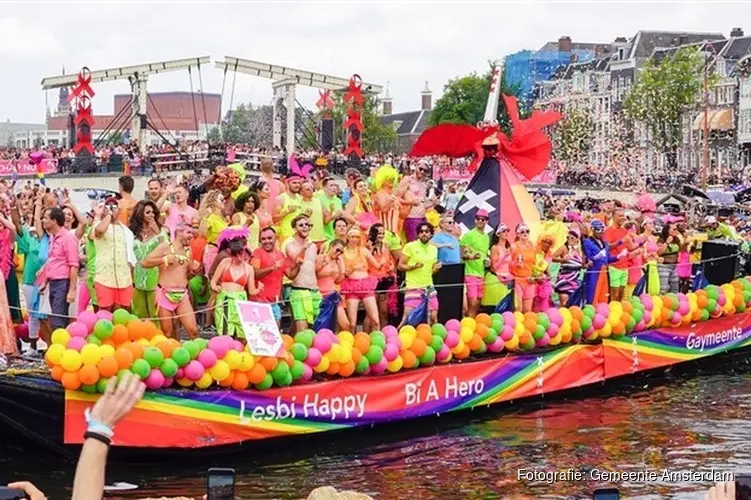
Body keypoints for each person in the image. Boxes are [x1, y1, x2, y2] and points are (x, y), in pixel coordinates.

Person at [141, 223, 200, 339]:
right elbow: (145, 262)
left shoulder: (189, 251)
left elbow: (186, 275)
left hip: (182, 295)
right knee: (167, 332)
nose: (191, 236)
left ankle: (198, 355)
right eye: (189, 232)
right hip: (165, 294)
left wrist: (193, 273)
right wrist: (164, 259)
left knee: (193, 330)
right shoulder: (165, 247)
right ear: (179, 232)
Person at [210, 227, 262, 337]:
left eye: (240, 254)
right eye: (235, 255)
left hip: (240, 302)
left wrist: (259, 289)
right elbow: (213, 281)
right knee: (225, 332)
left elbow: (252, 291)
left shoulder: (249, 269)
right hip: (225, 300)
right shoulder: (225, 262)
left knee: (241, 333)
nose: (238, 258)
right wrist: (215, 288)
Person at [90, 198, 135, 312]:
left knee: (121, 314)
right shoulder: (98, 224)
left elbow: (130, 255)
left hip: (124, 279)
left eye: (114, 207)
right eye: (108, 206)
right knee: (105, 313)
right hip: (104, 278)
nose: (111, 209)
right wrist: (108, 215)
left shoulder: (126, 231)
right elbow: (99, 231)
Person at [40, 206, 79, 329]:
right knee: (53, 318)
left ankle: (63, 346)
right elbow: (52, 261)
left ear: (54, 221)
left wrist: (72, 290)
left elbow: (74, 265)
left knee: (59, 320)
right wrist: (45, 282)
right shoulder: (52, 237)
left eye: (46, 218)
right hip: (53, 282)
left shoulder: (68, 238)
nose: (43, 221)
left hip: (63, 282)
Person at [398, 221, 441, 326]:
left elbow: (432, 270)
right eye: (421, 232)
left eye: (427, 231)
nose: (424, 234)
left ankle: (432, 340)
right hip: (413, 286)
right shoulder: (410, 246)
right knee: (408, 319)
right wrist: (413, 266)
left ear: (431, 234)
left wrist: (436, 268)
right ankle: (398, 340)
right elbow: (400, 266)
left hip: (429, 287)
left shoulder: (434, 249)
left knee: (433, 317)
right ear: (418, 234)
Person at [129, 201, 166, 322]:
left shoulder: (161, 232)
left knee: (155, 316)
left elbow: (167, 249)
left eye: (153, 212)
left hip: (155, 280)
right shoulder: (132, 233)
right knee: (139, 315)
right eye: (147, 212)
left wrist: (158, 232)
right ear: (140, 214)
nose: (151, 215)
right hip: (137, 279)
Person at [284, 214, 321, 332]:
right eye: (301, 225)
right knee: (302, 330)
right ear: (294, 228)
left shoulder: (313, 246)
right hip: (299, 290)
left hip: (315, 290)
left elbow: (314, 268)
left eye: (307, 225)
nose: (305, 227)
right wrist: (304, 248)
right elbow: (297, 260)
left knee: (317, 328)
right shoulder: (290, 245)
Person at [341, 226, 382, 331]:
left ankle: (377, 342)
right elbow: (342, 272)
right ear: (347, 237)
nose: (355, 239)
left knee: (376, 320)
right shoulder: (342, 253)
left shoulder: (363, 250)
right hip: (351, 286)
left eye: (357, 237)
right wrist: (353, 268)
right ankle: (351, 344)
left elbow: (377, 266)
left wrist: (385, 263)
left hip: (366, 285)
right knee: (352, 324)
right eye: (352, 237)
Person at [251, 227, 286, 325]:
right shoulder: (257, 253)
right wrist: (272, 267)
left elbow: (291, 275)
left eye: (269, 238)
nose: (266, 241)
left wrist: (298, 265)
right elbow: (255, 274)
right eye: (263, 239)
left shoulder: (281, 255)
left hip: (274, 302)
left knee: (276, 336)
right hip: (259, 302)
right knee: (262, 335)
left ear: (276, 238)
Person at [460, 208, 491, 317]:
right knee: (472, 303)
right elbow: (462, 254)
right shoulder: (468, 235)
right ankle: (468, 326)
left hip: (481, 274)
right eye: (478, 219)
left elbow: (485, 254)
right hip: (470, 273)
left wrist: (488, 262)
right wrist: (471, 257)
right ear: (475, 220)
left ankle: (472, 325)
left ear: (487, 221)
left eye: (483, 219)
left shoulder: (486, 237)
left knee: (478, 303)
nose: (480, 221)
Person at [316, 238, 350, 331]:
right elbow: (314, 275)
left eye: (341, 252)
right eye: (337, 250)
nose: (338, 253)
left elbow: (338, 281)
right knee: (322, 326)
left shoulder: (337, 261)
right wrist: (322, 265)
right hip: (320, 295)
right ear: (331, 246)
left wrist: (342, 265)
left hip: (333, 294)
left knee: (345, 324)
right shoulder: (321, 257)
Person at [368, 223, 397, 329]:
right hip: (372, 281)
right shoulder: (368, 245)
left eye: (383, 233)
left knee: (384, 311)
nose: (381, 235)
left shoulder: (386, 245)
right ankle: (368, 336)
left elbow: (390, 260)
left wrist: (391, 266)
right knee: (371, 313)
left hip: (384, 279)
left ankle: (383, 334)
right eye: (379, 233)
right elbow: (366, 262)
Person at [398, 160, 433, 242]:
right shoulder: (407, 180)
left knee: (425, 245)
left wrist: (433, 202)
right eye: (420, 168)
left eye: (425, 170)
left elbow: (422, 204)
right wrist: (410, 203)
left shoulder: (423, 184)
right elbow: (396, 198)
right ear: (416, 166)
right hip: (411, 218)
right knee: (415, 246)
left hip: (423, 218)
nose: (422, 171)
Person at [602, 208, 632, 302]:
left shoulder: (624, 230)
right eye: (620, 216)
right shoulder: (608, 230)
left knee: (621, 294)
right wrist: (621, 241)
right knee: (614, 294)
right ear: (613, 217)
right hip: (614, 266)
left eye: (623, 216)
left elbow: (630, 247)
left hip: (624, 266)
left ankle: (618, 312)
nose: (622, 218)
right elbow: (607, 247)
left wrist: (641, 243)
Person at [198, 190, 228, 277]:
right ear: (214, 202)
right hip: (213, 252)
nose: (224, 202)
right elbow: (201, 233)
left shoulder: (221, 218)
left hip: (222, 252)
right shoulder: (211, 217)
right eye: (221, 200)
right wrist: (206, 216)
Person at [552, 228, 585, 307]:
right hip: (564, 280)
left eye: (572, 238)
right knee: (564, 303)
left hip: (574, 280)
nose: (569, 240)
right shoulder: (564, 248)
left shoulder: (580, 250)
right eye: (568, 238)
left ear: (577, 239)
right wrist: (562, 260)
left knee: (572, 304)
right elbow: (553, 257)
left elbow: (583, 264)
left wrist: (586, 265)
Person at [510, 223, 536, 313]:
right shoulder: (513, 247)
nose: (525, 233)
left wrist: (535, 276)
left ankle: (527, 327)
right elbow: (508, 266)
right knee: (518, 309)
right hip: (517, 280)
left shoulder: (533, 246)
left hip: (529, 280)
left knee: (527, 310)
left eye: (527, 231)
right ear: (518, 234)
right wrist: (516, 262)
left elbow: (535, 264)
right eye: (522, 232)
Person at [299, 179, 328, 248]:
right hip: (308, 239)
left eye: (312, 188)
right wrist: (306, 216)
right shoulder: (299, 203)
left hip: (321, 238)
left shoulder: (318, 201)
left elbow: (326, 219)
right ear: (301, 192)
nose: (311, 190)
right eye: (307, 189)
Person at [317, 177, 346, 241]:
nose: (334, 188)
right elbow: (325, 221)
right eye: (331, 185)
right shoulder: (319, 200)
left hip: (336, 236)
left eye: (335, 185)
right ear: (324, 188)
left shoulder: (338, 201)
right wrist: (334, 216)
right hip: (325, 236)